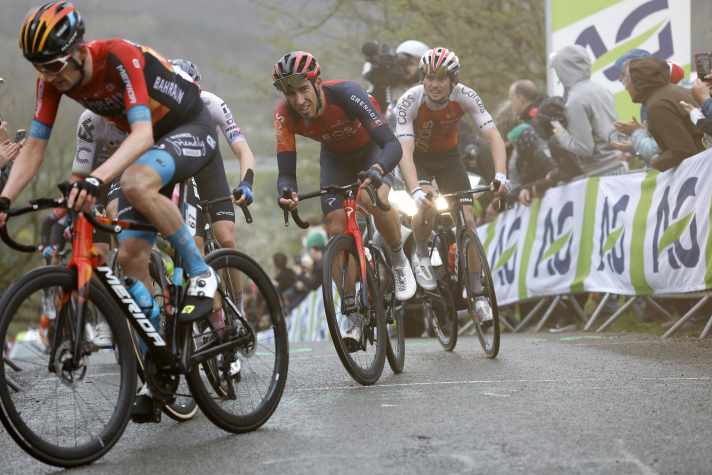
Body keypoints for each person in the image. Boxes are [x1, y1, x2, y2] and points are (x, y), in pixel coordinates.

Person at [2, 1, 234, 419]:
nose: (49, 76)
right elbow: (34, 147)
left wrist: (96, 178)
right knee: (128, 257)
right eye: (39, 68)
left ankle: (202, 273)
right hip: (149, 145)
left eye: (53, 65)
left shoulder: (118, 55)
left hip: (189, 127)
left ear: (76, 50)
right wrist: (4, 201)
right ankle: (158, 364)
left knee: (133, 182)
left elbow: (143, 133)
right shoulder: (52, 79)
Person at [273, 50, 416, 351]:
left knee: (370, 198)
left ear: (318, 83)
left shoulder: (347, 94)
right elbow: (286, 170)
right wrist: (287, 192)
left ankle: (398, 257)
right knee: (336, 225)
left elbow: (391, 145)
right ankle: (350, 309)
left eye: (302, 90)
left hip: (373, 151)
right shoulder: (285, 115)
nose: (298, 100)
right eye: (290, 93)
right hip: (335, 158)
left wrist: (378, 170)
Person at [394, 47, 509, 323]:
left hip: (449, 158)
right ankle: (421, 254)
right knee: (428, 203)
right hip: (417, 159)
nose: (434, 84)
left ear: (453, 80)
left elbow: (493, 136)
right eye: (429, 78)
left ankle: (478, 294)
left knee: (468, 222)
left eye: (441, 78)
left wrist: (502, 175)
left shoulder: (466, 96)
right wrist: (416, 190)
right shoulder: (410, 100)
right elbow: (405, 154)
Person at [549, 45, 622, 172]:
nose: (558, 75)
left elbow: (584, 148)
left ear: (564, 69)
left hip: (600, 172)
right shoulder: (602, 90)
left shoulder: (575, 100)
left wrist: (557, 129)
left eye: (557, 69)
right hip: (618, 165)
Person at [623, 56, 704, 171]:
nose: (625, 87)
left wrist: (657, 162)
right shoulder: (672, 91)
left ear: (639, 80)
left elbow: (683, 150)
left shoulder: (657, 105)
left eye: (627, 80)